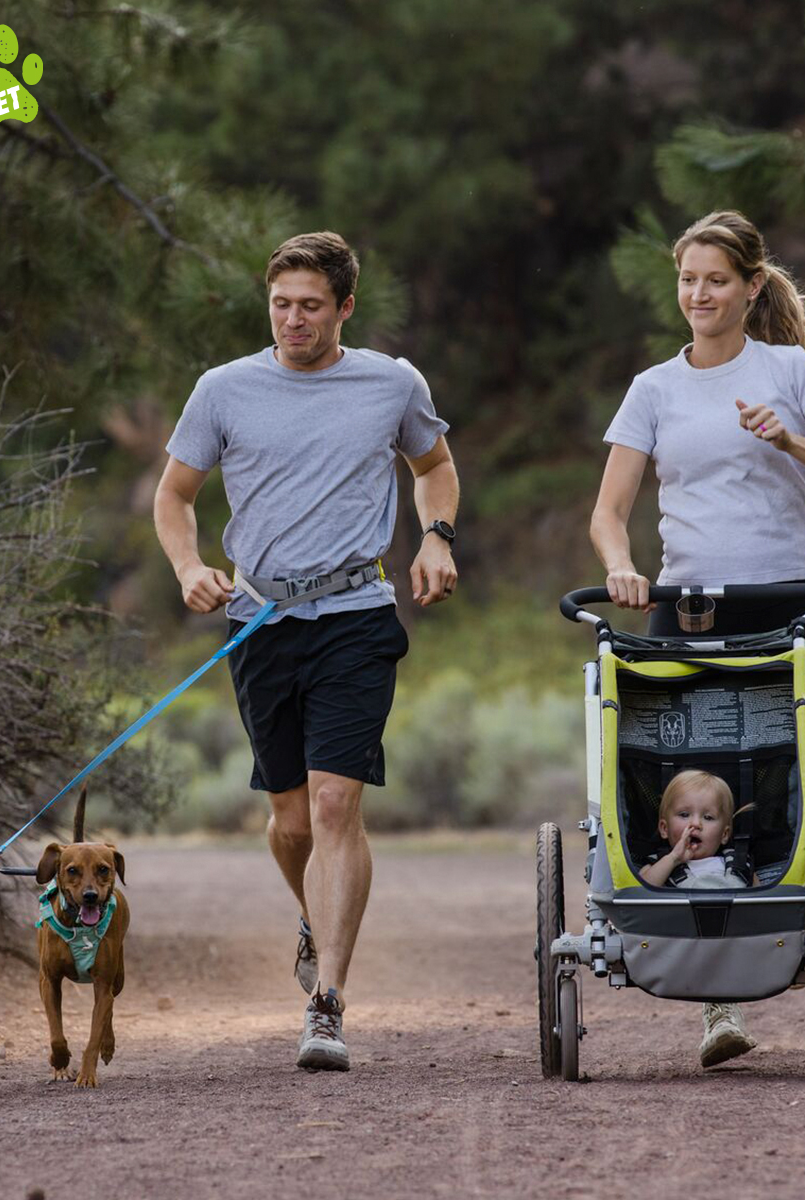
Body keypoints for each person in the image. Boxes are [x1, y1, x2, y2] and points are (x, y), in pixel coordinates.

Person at [590, 209, 805, 1067]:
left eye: (715, 280)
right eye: (688, 280)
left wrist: (791, 439)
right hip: (684, 604)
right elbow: (610, 513)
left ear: (751, 286)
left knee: (771, 768)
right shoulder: (654, 388)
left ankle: (788, 924)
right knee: (688, 781)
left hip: (787, 602)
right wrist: (621, 566)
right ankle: (719, 1002)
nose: (699, 294)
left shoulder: (791, 371)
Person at [153, 231, 459, 1071]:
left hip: (357, 613)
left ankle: (327, 1002)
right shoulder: (224, 390)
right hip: (259, 620)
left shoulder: (391, 383)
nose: (293, 319)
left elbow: (435, 466)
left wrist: (434, 538)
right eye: (281, 304)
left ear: (344, 308)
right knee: (290, 821)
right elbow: (175, 495)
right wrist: (188, 567)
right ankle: (314, 915)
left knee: (333, 807)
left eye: (311, 306)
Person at [638, 769, 749, 890]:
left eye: (708, 817)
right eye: (684, 815)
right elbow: (638, 892)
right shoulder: (658, 866)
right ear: (665, 829)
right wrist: (673, 858)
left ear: (724, 834)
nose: (696, 824)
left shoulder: (740, 866)